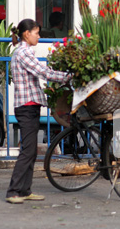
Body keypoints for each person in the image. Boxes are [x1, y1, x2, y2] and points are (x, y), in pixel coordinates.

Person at [5, 19, 71, 204]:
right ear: (27, 34)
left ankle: (25, 190)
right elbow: (45, 73)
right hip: (26, 107)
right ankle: (13, 191)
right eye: (36, 33)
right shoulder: (23, 52)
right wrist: (69, 77)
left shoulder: (23, 51)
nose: (39, 36)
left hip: (30, 106)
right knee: (27, 151)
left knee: (31, 151)